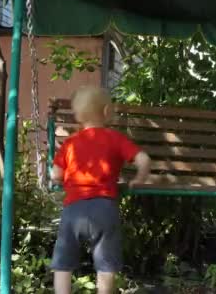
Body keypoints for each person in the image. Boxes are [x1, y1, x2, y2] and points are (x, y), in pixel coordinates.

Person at [50, 85, 151, 294]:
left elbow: (55, 175)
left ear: (79, 117)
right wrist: (139, 178)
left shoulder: (70, 143)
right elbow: (143, 159)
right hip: (105, 208)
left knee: (63, 262)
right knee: (106, 263)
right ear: (106, 112)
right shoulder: (115, 138)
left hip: (73, 210)